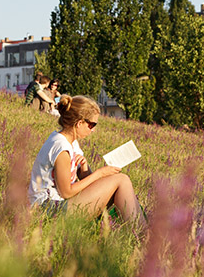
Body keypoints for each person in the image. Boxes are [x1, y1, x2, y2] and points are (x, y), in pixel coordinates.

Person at [28, 95, 146, 226]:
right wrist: (99, 174)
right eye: (92, 125)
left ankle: (141, 232)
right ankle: (143, 235)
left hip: (60, 204)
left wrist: (84, 168)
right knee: (121, 180)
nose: (93, 130)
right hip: (49, 210)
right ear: (79, 123)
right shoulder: (61, 148)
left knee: (121, 182)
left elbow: (88, 182)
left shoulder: (72, 143)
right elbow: (66, 192)